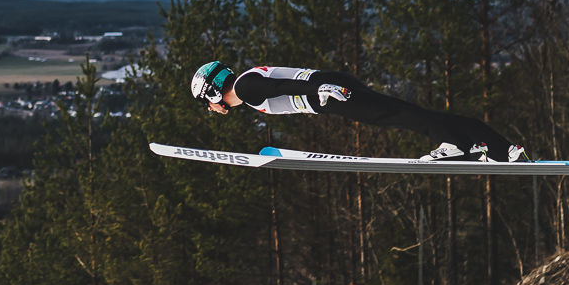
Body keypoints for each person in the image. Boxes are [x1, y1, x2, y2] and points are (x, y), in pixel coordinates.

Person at [189, 61, 527, 162]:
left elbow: (283, 89)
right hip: (330, 90)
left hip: (330, 93)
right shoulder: (247, 86)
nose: (211, 108)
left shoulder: (246, 89)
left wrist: (320, 90)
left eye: (207, 101)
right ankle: (499, 148)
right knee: (405, 111)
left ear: (214, 94)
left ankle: (455, 146)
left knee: (396, 116)